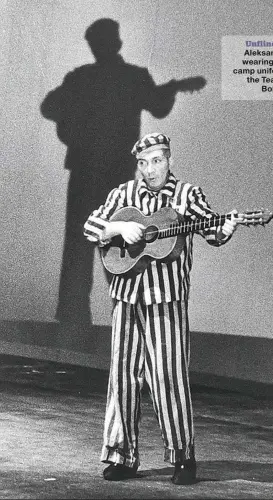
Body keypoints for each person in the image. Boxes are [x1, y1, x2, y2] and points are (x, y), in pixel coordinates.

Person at [83, 132, 242, 485]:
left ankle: (184, 458)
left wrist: (226, 226)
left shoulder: (187, 195)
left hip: (165, 299)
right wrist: (119, 226)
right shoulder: (123, 194)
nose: (150, 169)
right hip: (126, 296)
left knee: (169, 377)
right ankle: (121, 456)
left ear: (168, 160)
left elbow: (211, 230)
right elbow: (91, 226)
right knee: (123, 377)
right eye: (143, 163)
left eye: (156, 161)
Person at [40, 18, 206, 331]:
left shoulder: (83, 78)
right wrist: (171, 89)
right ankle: (127, 313)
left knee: (89, 240)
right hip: (112, 172)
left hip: (89, 170)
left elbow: (50, 107)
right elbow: (158, 107)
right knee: (117, 241)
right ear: (115, 43)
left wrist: (73, 128)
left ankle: (77, 316)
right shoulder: (129, 77)